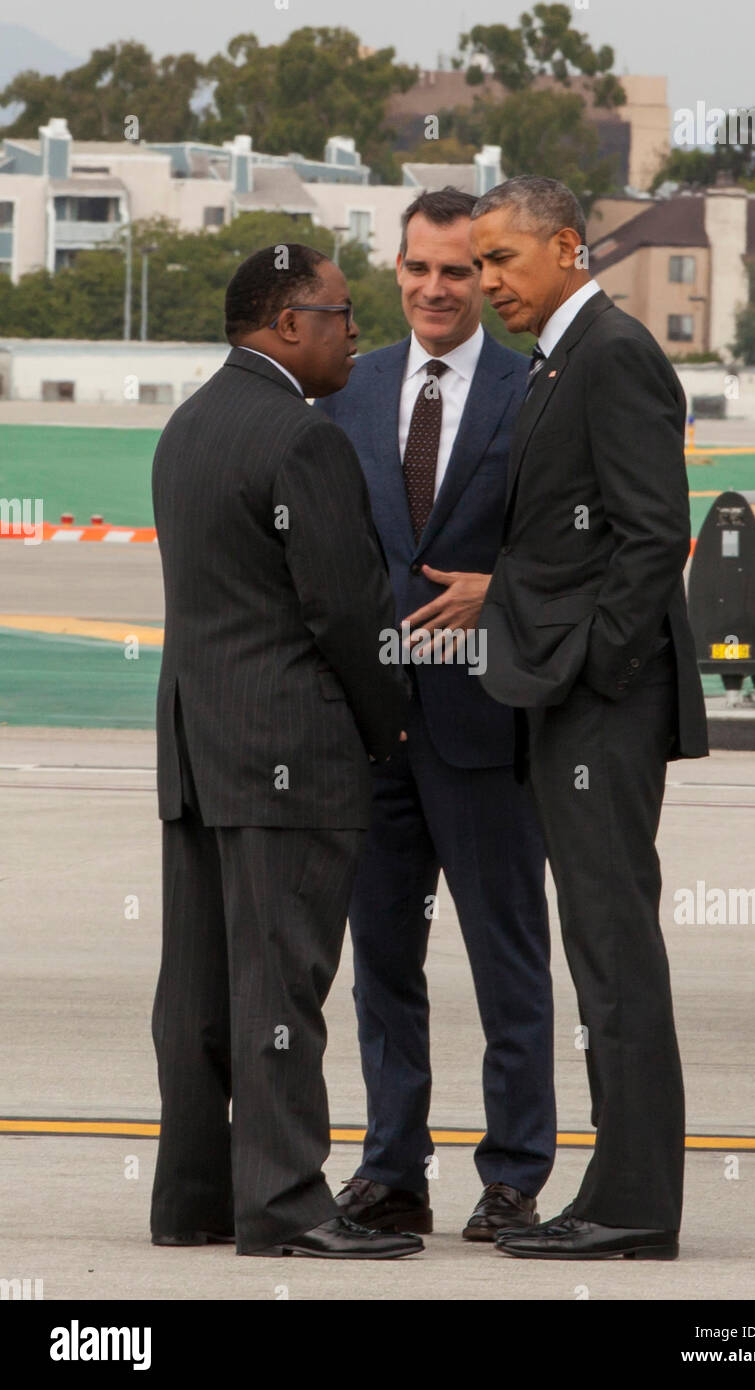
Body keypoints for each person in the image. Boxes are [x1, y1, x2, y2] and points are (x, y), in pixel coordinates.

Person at [149, 243, 421, 1260]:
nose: (354, 332)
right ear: (283, 324)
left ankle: (191, 1197)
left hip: (199, 749)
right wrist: (386, 719)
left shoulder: (189, 425)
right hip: (287, 757)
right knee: (281, 988)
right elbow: (345, 608)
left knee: (199, 989)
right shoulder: (301, 439)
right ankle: (286, 1203)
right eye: (340, 314)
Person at [469, 176, 709, 1260]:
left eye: (499, 261)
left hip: (599, 704)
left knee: (613, 951)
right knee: (599, 949)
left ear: (565, 248)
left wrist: (593, 669)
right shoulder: (558, 359)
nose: (484, 284)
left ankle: (632, 1206)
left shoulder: (612, 353)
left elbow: (654, 533)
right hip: (570, 695)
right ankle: (615, 1190)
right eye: (476, 264)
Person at [316, 189, 555, 1241]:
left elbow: (572, 536)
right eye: (416, 269)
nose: (434, 289)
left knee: (508, 957)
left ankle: (511, 1175)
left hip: (485, 724)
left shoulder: (532, 388)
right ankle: (391, 1169)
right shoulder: (349, 390)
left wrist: (500, 585)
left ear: (486, 275)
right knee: (379, 964)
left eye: (457, 271)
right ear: (395, 269)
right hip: (372, 731)